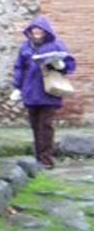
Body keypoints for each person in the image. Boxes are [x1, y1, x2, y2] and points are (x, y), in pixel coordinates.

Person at [11, 15, 76, 168]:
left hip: (49, 91)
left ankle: (46, 159)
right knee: (35, 125)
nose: (37, 31)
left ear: (46, 31)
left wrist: (61, 65)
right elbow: (19, 67)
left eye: (40, 29)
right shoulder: (26, 47)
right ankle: (38, 156)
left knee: (46, 126)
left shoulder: (56, 45)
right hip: (30, 91)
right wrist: (17, 87)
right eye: (34, 29)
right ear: (30, 31)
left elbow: (70, 63)